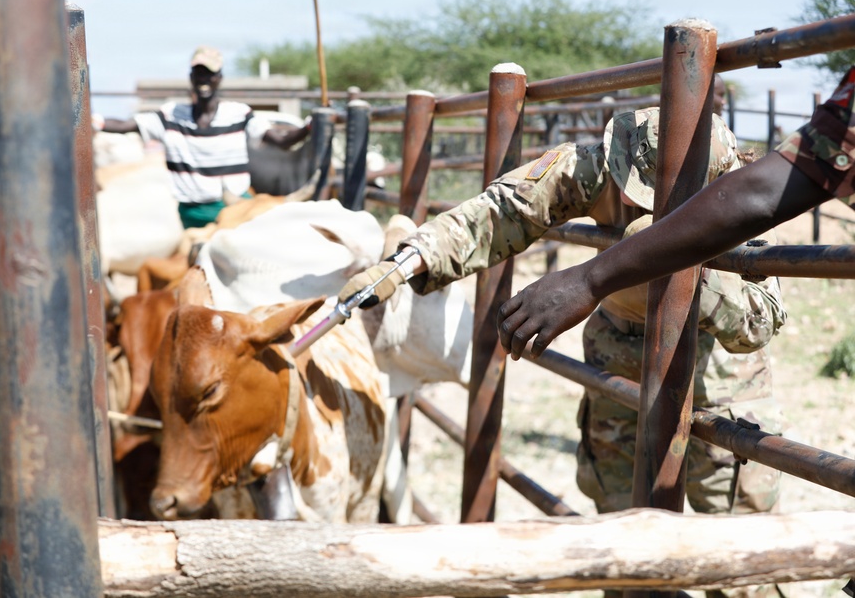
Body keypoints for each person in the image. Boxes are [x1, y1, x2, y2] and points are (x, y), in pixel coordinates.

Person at [340, 108, 788, 558]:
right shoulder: (598, 167)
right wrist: (409, 260)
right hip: (617, 372)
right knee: (621, 544)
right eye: (635, 193)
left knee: (740, 553)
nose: (635, 203)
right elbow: (503, 210)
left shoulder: (739, 191)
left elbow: (762, 319)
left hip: (717, 380)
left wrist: (668, 262)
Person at [495, 68, 851, 361]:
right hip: (616, 372)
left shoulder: (730, 170)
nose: (716, 103)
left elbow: (760, 321)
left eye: (718, 97)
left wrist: (597, 276)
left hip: (709, 380)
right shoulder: (614, 165)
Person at [100, 45, 312, 228]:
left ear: (219, 78)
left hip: (236, 204)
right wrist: (93, 121)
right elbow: (126, 124)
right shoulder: (171, 115)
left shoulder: (238, 114)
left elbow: (283, 141)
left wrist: (310, 126)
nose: (204, 80)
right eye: (198, 73)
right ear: (191, 77)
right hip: (195, 211)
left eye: (209, 74)